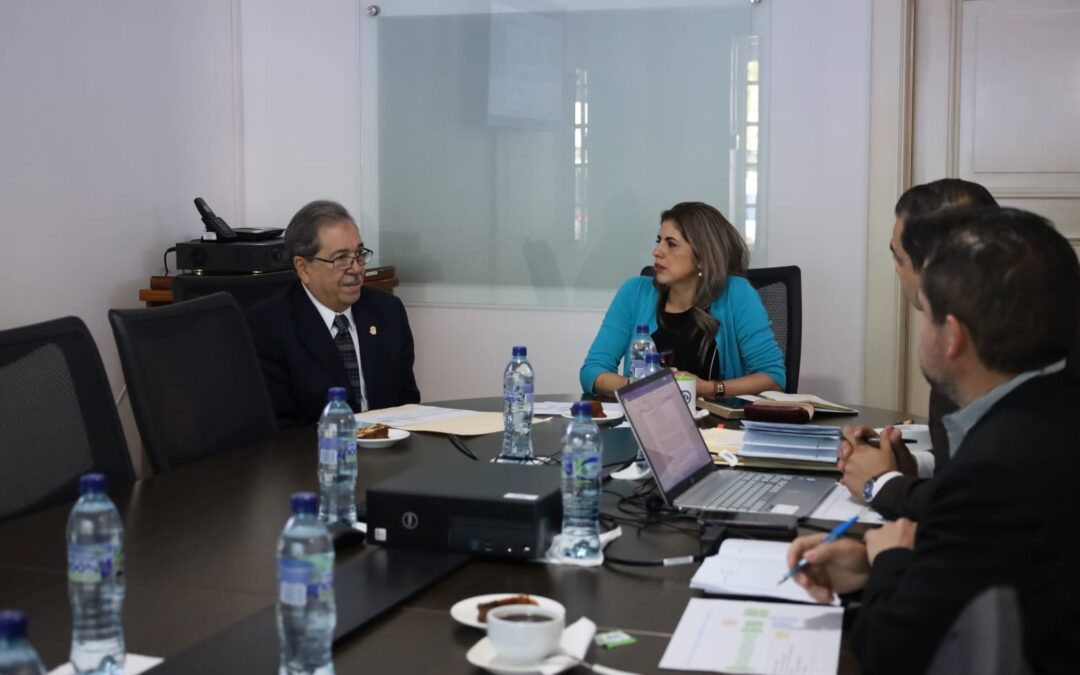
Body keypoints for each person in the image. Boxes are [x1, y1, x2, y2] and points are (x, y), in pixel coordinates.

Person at [788, 207, 1080, 675]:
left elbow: (890, 651)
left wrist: (891, 561)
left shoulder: (995, 469)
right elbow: (988, 567)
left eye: (926, 313)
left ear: (952, 338)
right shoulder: (1054, 411)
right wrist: (870, 563)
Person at [838, 179, 997, 519]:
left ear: (930, 267)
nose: (896, 271)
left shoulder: (992, 350)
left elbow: (982, 506)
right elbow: (967, 465)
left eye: (898, 258)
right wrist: (907, 465)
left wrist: (880, 484)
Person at [579, 202, 785, 398]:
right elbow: (593, 372)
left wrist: (710, 389)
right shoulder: (634, 292)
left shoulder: (737, 293)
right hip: (648, 424)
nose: (657, 251)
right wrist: (642, 387)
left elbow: (773, 378)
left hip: (719, 430)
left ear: (703, 257)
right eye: (659, 240)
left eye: (672, 244)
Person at [248, 200, 420, 428]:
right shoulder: (268, 326)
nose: (357, 269)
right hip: (314, 457)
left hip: (388, 452)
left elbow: (408, 405)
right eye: (341, 259)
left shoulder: (388, 312)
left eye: (358, 254)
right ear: (303, 268)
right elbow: (278, 428)